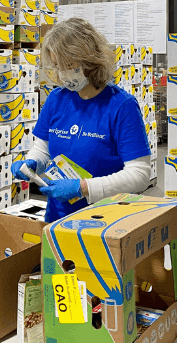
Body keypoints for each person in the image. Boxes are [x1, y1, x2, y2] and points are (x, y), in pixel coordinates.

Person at [11, 18, 151, 223]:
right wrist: (32, 164)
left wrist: (83, 187)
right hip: (57, 220)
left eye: (69, 65)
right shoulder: (56, 99)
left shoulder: (121, 106)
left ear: (90, 59)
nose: (63, 73)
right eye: (58, 66)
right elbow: (42, 149)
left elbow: (139, 175)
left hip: (105, 223)